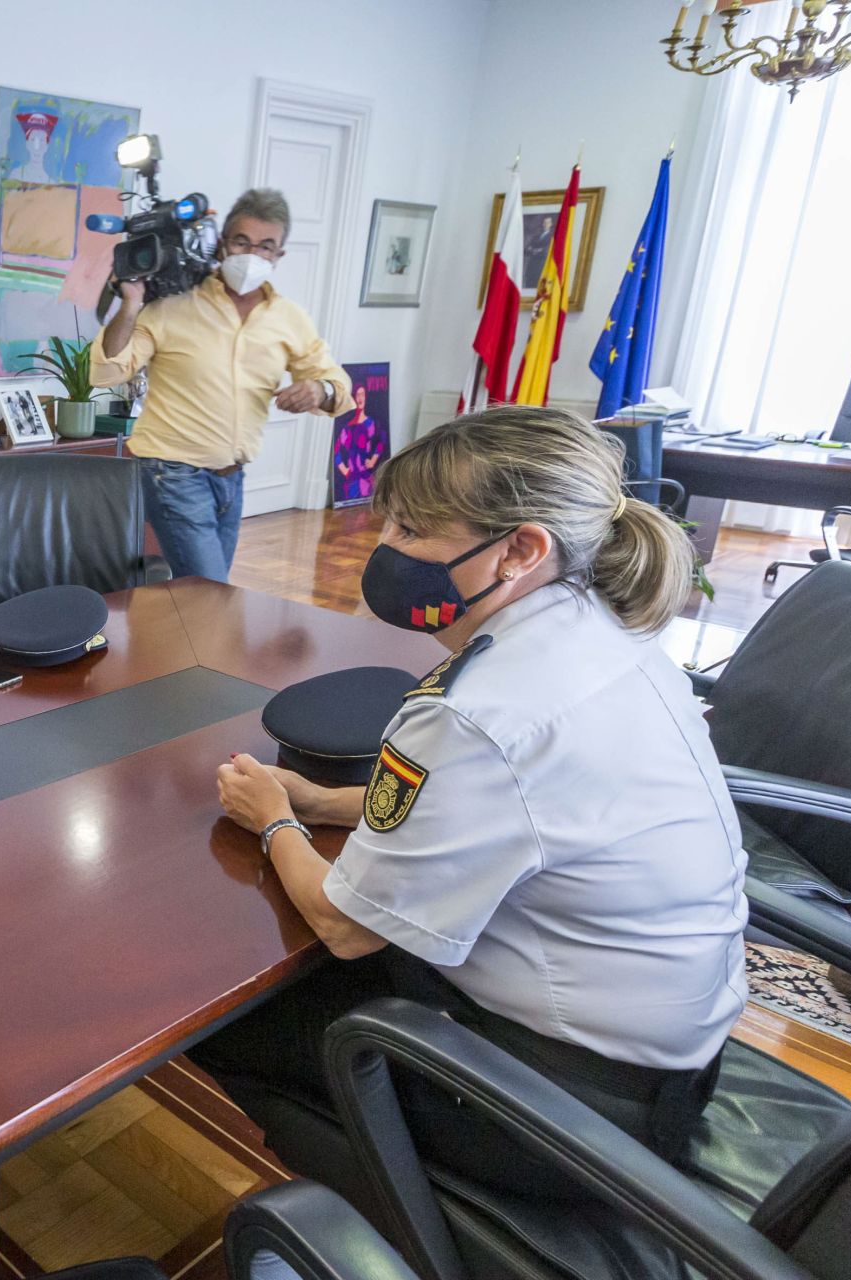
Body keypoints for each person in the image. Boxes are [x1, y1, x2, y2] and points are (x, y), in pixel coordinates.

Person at [193, 405, 748, 1204]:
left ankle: (355, 1217)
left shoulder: (478, 709)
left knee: (223, 1013)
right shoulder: (598, 630)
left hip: (557, 1112)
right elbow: (506, 810)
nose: (383, 548)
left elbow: (346, 928)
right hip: (671, 1061)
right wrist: (323, 799)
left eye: (414, 530)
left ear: (521, 549)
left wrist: (276, 820)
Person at [89, 188, 353, 584]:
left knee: (202, 596)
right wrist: (129, 305)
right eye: (242, 241)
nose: (252, 254)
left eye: (266, 246)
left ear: (279, 255)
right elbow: (107, 372)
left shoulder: (288, 318)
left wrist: (320, 390)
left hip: (232, 478)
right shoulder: (172, 306)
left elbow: (336, 382)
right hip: (172, 471)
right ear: (222, 244)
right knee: (212, 592)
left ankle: (166, 645)